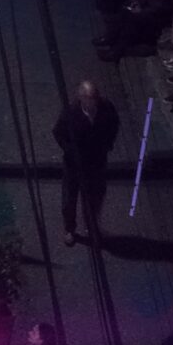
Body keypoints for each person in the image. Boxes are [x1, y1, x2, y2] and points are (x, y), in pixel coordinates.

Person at [53, 80, 120, 246]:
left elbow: (114, 124)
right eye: (90, 98)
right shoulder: (71, 112)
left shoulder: (106, 109)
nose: (93, 102)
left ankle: (91, 227)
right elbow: (58, 133)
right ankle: (70, 229)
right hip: (74, 165)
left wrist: (108, 144)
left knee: (94, 198)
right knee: (69, 199)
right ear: (81, 98)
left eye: (95, 98)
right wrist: (70, 150)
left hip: (96, 162)